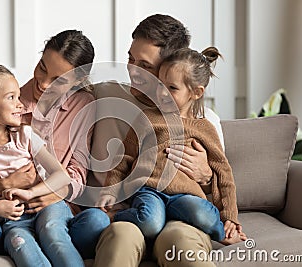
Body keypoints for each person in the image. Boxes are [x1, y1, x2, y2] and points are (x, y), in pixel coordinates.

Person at [0, 30, 109, 261]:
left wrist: (51, 192)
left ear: (78, 81)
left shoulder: (84, 107)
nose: (43, 83)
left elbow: (76, 172)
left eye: (58, 80)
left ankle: (27, 239)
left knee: (97, 221)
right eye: (42, 67)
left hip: (51, 209)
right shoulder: (8, 100)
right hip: (1, 210)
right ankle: (18, 238)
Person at [90, 14, 226, 267]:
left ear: (169, 67)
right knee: (122, 237)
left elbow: (220, 187)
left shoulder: (205, 120)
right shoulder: (105, 93)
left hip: (180, 219)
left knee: (180, 242)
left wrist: (206, 176)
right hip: (124, 215)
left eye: (146, 65)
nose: (133, 71)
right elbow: (48, 87)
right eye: (131, 59)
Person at [97, 47, 247, 247]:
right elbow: (124, 157)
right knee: (150, 222)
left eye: (172, 88)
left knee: (203, 215)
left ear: (196, 92)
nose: (162, 93)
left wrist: (230, 217)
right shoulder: (147, 119)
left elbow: (223, 172)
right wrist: (111, 192)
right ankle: (116, 218)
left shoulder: (204, 128)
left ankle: (222, 233)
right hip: (149, 189)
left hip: (186, 195)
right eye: (160, 84)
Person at [0, 62, 85, 267]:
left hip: (45, 208)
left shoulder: (26, 135)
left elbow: (61, 175)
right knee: (19, 241)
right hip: (12, 221)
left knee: (52, 231)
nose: (21, 104)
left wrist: (31, 193)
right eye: (11, 97)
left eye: (18, 96)